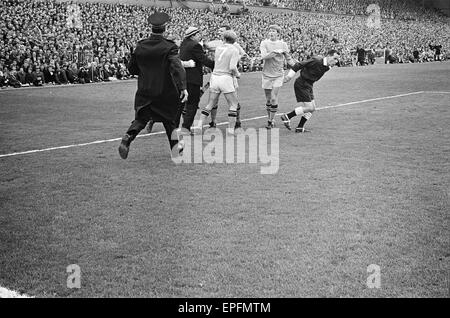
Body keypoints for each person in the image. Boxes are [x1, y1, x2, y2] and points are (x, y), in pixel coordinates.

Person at [118, 12, 188, 160]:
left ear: (151, 28)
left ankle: (128, 136)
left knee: (141, 118)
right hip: (164, 90)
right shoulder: (170, 47)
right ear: (165, 29)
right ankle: (176, 151)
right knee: (170, 120)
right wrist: (183, 87)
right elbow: (177, 67)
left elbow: (132, 69)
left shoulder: (141, 45)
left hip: (144, 89)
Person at [191, 30, 241, 135]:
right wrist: (238, 74)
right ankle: (231, 130)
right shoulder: (234, 50)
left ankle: (199, 125)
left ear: (224, 39)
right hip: (225, 77)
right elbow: (232, 67)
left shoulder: (219, 48)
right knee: (233, 104)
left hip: (215, 77)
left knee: (210, 104)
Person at [280, 49, 340, 133]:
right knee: (309, 107)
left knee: (312, 109)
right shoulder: (316, 60)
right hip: (302, 84)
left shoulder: (328, 66)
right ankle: (287, 116)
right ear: (328, 56)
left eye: (337, 59)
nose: (336, 61)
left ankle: (300, 127)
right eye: (335, 58)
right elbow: (298, 65)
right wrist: (289, 76)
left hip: (309, 85)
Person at [206, 25, 248, 129]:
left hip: (229, 76)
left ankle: (237, 122)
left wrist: (235, 60)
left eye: (221, 31)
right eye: (219, 30)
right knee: (213, 101)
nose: (219, 32)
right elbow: (207, 46)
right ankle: (213, 122)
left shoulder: (235, 45)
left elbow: (244, 55)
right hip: (217, 75)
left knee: (234, 101)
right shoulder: (217, 43)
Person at [179, 26, 215, 133]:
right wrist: (218, 65)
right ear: (193, 35)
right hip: (192, 79)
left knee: (181, 103)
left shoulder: (184, 44)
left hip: (182, 78)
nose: (200, 36)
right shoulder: (195, 45)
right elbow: (204, 60)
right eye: (198, 34)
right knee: (192, 105)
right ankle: (185, 128)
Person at [259, 24, 295, 129]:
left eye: (273, 31)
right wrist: (275, 52)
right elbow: (264, 57)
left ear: (278, 34)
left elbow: (288, 58)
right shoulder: (264, 43)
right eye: (270, 30)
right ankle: (271, 118)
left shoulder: (283, 44)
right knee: (268, 100)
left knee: (274, 98)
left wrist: (297, 66)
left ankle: (270, 121)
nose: (271, 32)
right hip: (266, 74)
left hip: (278, 74)